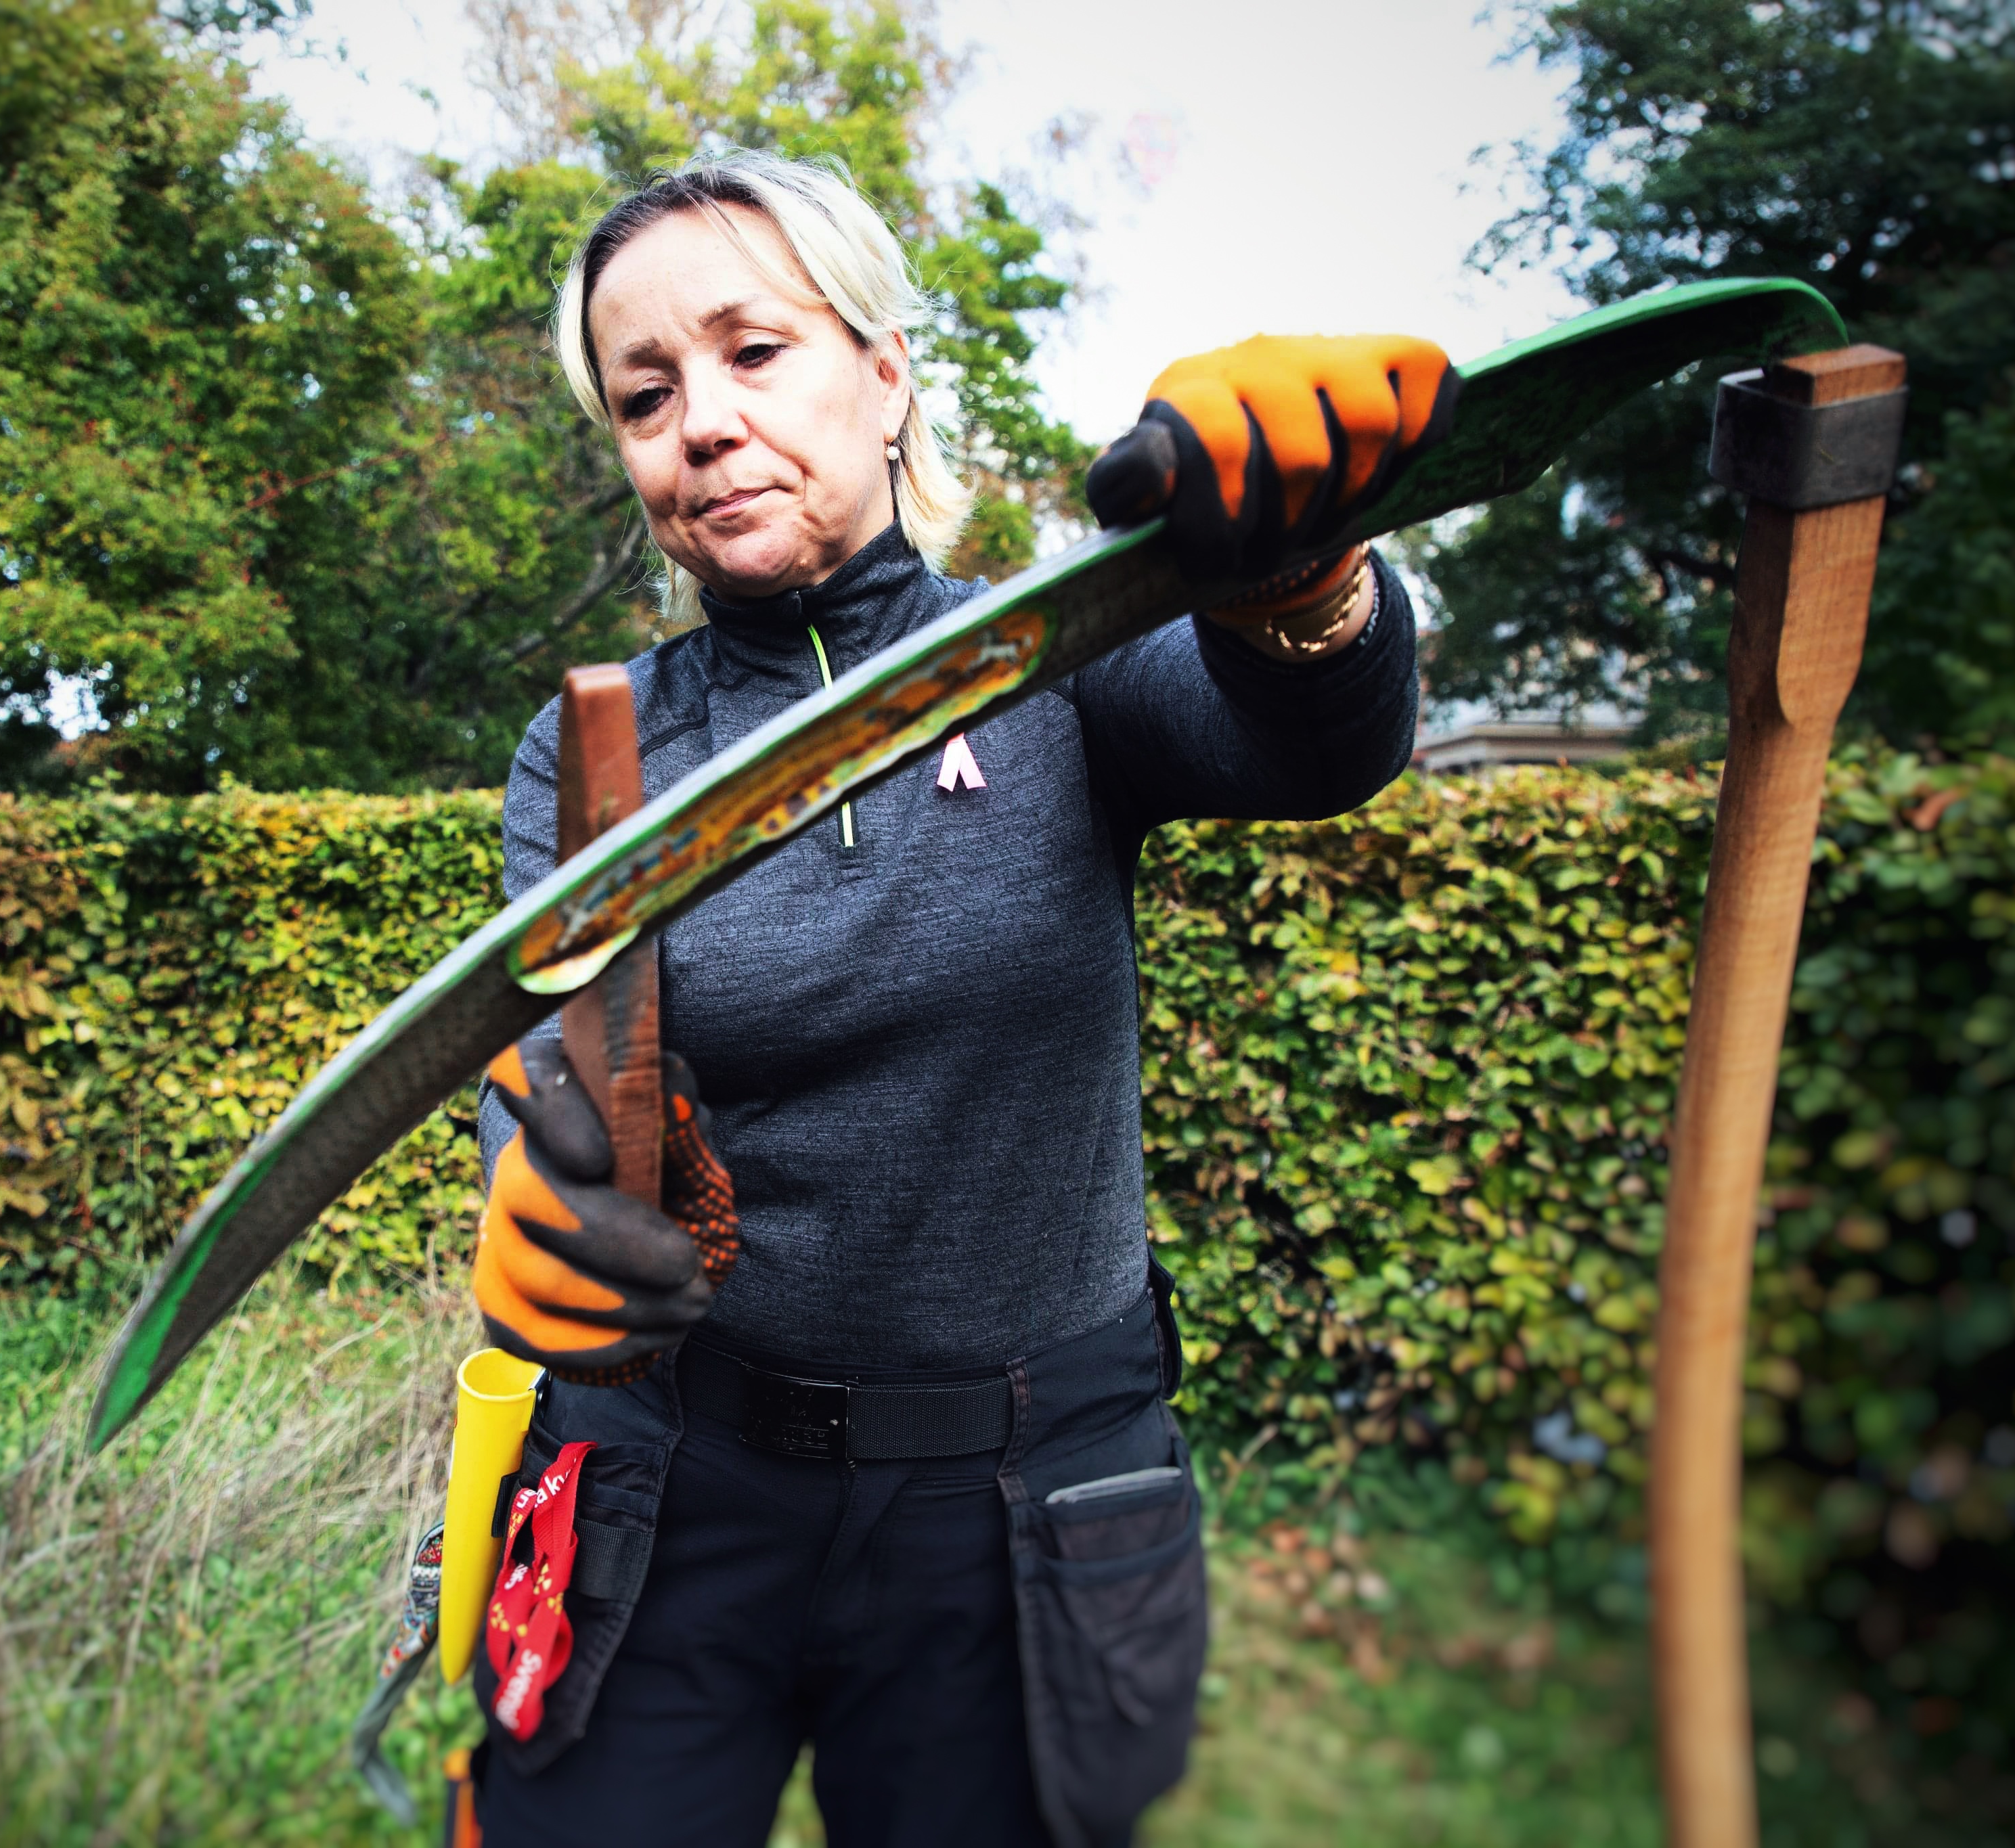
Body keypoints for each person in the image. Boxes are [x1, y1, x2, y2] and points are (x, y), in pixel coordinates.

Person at [463, 148, 1449, 1847]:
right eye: (645, 393)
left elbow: (1311, 742)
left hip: (1024, 1497)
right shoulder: (597, 740)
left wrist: (1300, 588)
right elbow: (557, 1075)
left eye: (750, 351)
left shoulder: (1059, 658)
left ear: (886, 369)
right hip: (669, 1476)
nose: (698, 422)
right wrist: (533, 1201)